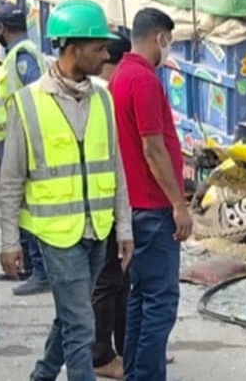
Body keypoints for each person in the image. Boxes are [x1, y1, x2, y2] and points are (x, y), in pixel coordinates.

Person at [0, 0, 134, 381]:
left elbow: (116, 167)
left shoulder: (104, 98)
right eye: (100, 48)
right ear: (73, 49)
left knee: (73, 314)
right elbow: (11, 179)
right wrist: (10, 241)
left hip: (98, 230)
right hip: (56, 234)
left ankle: (42, 375)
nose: (106, 55)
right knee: (81, 326)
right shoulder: (28, 103)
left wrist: (124, 228)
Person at [110, 8, 192, 381]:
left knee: (142, 298)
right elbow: (153, 148)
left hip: (135, 207)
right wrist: (179, 204)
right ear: (160, 37)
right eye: (168, 40)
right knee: (160, 303)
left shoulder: (121, 75)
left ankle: (136, 372)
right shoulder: (143, 81)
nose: (168, 47)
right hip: (153, 208)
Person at [0, 3, 52, 296]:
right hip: (13, 138)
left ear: (2, 28)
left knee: (26, 205)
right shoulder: (18, 53)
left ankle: (40, 270)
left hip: (23, 139)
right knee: (18, 204)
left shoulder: (23, 55)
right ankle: (26, 264)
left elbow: (34, 95)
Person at [90, 34, 132, 379]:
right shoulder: (103, 96)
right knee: (109, 282)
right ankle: (101, 354)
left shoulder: (100, 94)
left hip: (105, 204)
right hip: (102, 207)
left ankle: (121, 349)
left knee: (118, 281)